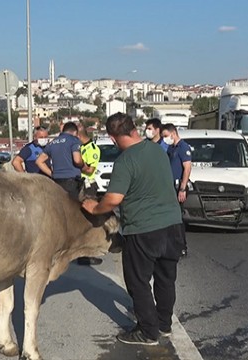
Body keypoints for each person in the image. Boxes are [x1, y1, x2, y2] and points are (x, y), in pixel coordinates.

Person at [82, 112, 185, 346]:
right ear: (135, 129)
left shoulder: (126, 160)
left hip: (144, 229)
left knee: (138, 282)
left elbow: (113, 199)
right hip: (173, 225)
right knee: (166, 279)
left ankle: (148, 332)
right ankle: (164, 324)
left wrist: (94, 207)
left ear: (113, 138)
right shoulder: (157, 151)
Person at [161, 123, 191, 257]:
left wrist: (182, 188)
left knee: (177, 218)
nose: (165, 139)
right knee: (170, 218)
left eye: (166, 136)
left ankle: (181, 246)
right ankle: (172, 244)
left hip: (179, 186)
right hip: (170, 186)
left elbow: (187, 168)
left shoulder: (183, 147)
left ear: (173, 133)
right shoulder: (172, 148)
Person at [35, 122, 84, 200]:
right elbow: (77, 160)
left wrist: (52, 174)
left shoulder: (52, 143)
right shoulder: (74, 140)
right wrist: (83, 165)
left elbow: (39, 161)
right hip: (71, 181)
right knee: (73, 208)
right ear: (75, 132)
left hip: (57, 181)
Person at [76, 127, 103, 266]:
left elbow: (90, 169)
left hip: (88, 187)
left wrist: (77, 164)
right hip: (80, 185)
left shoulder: (92, 149)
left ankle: (89, 253)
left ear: (80, 136)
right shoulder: (80, 147)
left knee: (89, 221)